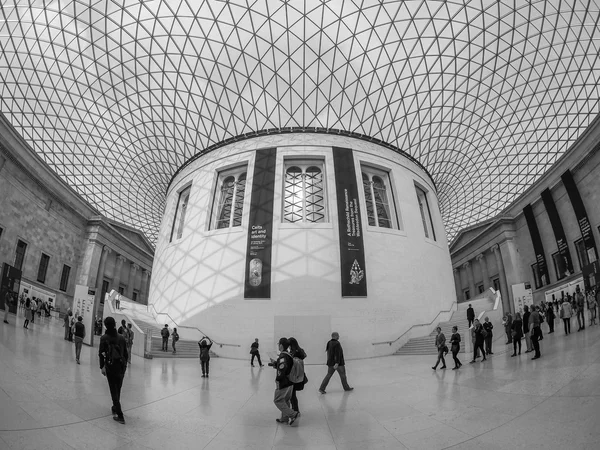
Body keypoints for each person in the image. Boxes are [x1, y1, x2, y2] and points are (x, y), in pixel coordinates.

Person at [99, 316, 128, 424]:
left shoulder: (104, 338)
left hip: (110, 367)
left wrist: (102, 366)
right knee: (118, 388)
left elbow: (101, 354)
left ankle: (120, 415)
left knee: (113, 390)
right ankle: (115, 407)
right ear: (115, 325)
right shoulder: (121, 338)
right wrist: (124, 367)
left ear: (105, 325)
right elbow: (126, 354)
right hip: (121, 368)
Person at [271, 337, 299, 426]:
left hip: (284, 382)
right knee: (286, 399)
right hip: (290, 382)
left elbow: (282, 371)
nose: (278, 346)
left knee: (278, 400)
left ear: (281, 345)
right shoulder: (288, 354)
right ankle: (284, 418)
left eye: (278, 344)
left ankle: (293, 414)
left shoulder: (283, 356)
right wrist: (276, 363)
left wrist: (278, 379)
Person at [288, 337, 307, 414]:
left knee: (292, 395)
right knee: (293, 394)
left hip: (293, 375)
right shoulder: (300, 351)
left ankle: (295, 410)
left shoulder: (293, 353)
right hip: (299, 374)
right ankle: (295, 410)